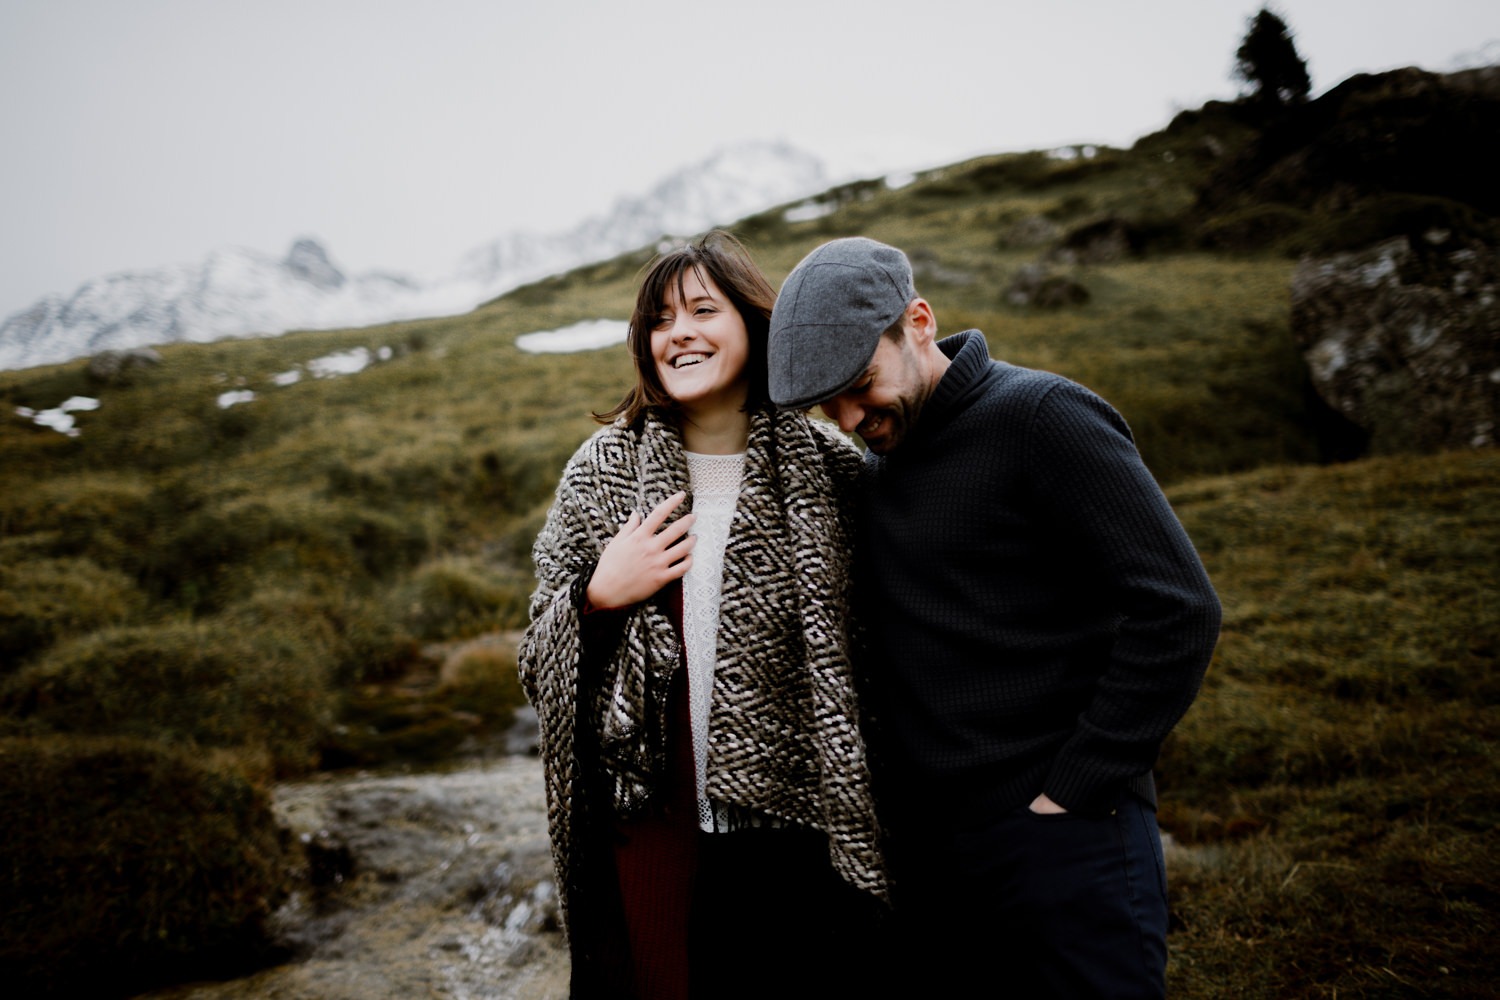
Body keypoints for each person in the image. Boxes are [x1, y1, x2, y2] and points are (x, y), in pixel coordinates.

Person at [767, 237, 1222, 999]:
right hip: (937, 858)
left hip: (1068, 838)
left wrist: (1071, 790)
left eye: (860, 383)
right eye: (825, 402)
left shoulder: (1043, 417)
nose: (846, 418)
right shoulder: (879, 465)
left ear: (917, 322)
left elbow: (1178, 608)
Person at [518, 230, 888, 1000]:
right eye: (659, 319)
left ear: (753, 325)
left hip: (801, 831)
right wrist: (596, 597)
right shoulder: (601, 472)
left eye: (700, 310)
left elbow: (882, 648)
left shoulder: (831, 468)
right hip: (650, 827)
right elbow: (535, 663)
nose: (677, 331)